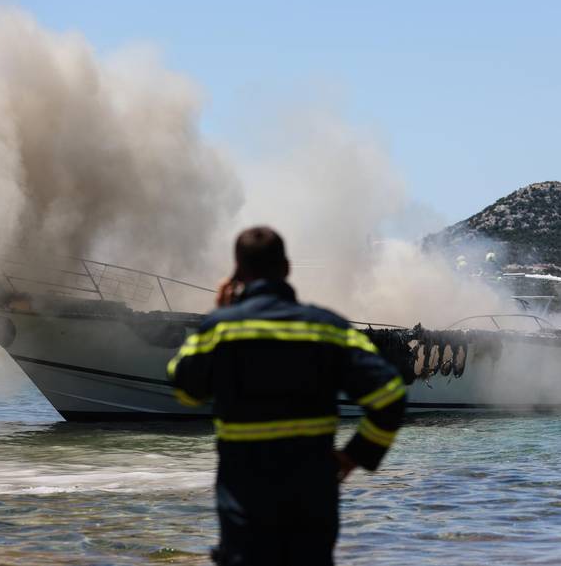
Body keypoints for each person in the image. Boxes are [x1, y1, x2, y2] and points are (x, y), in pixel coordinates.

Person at [167, 226, 405, 566]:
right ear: (287, 269)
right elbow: (391, 395)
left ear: (237, 272)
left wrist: (217, 314)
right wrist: (354, 456)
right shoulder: (327, 328)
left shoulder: (221, 329)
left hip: (245, 506)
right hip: (311, 505)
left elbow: (184, 389)